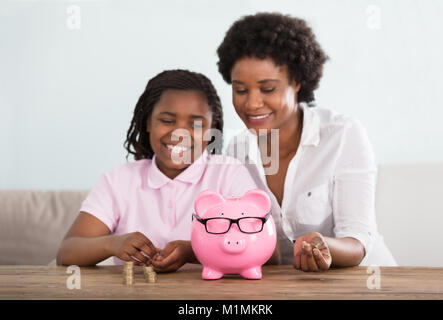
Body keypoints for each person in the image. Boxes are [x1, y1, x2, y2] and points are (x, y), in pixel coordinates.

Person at [217, 12, 397, 271]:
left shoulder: (342, 135)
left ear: (297, 82)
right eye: (240, 90)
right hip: (291, 287)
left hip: (362, 281)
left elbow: (359, 238)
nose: (251, 103)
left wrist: (323, 246)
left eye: (268, 89)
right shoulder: (237, 150)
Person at [56, 69, 270, 272]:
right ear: (148, 122)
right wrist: (113, 244)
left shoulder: (228, 174)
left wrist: (192, 251)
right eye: (167, 121)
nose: (180, 134)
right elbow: (67, 252)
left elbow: (268, 250)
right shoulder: (119, 180)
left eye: (196, 124)